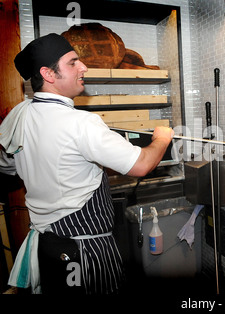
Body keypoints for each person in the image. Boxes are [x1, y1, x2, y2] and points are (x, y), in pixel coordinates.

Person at [0, 33, 174, 294]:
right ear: (48, 74)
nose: (83, 67)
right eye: (72, 63)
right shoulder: (81, 123)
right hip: (84, 251)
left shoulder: (18, 115)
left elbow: (8, 166)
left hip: (47, 245)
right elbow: (141, 165)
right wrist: (161, 138)